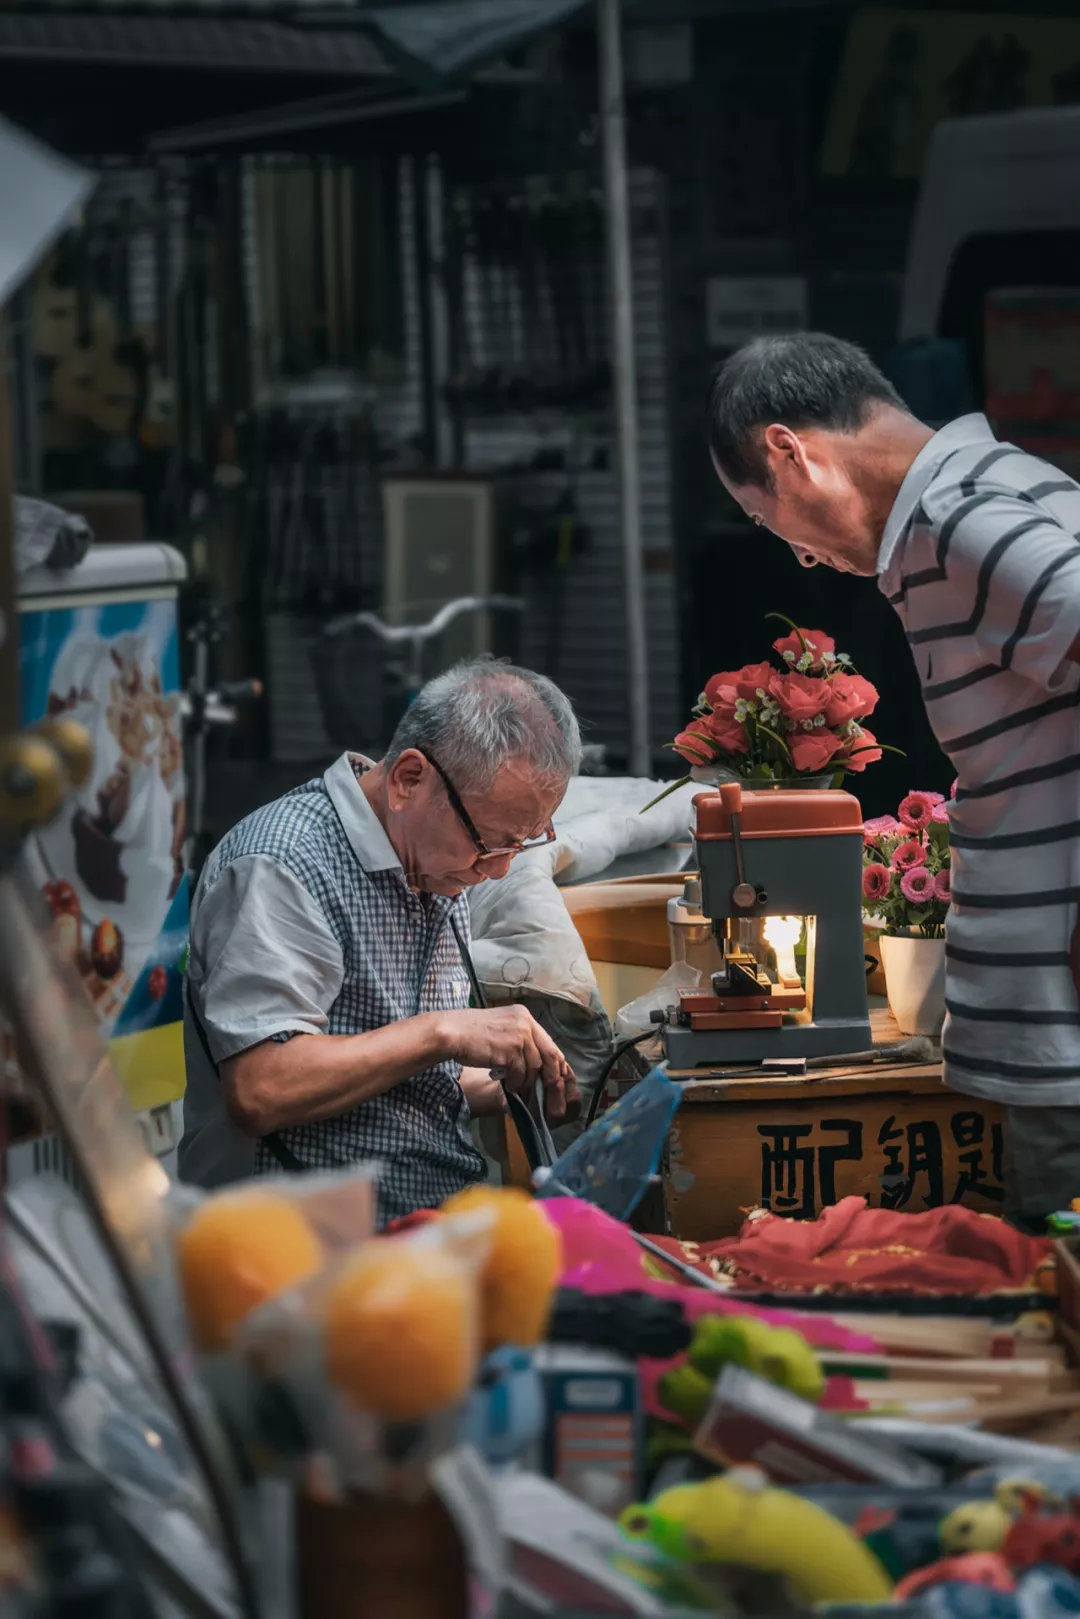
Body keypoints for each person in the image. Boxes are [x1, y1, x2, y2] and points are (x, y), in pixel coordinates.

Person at [706, 330, 1080, 1231]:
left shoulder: (955, 518)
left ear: (790, 453)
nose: (802, 554)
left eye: (768, 522)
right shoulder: (1003, 482)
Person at [180, 659, 582, 1222]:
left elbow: (389, 1073)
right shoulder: (282, 863)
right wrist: (444, 1032)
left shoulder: (432, 858)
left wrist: (514, 1081)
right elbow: (261, 1088)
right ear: (408, 779)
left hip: (424, 1226)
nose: (496, 871)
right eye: (489, 843)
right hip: (296, 1247)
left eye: (521, 845)